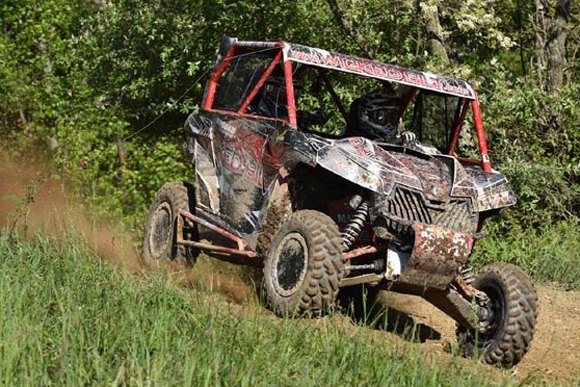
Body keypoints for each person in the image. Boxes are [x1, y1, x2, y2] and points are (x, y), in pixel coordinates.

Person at [346, 87, 416, 145]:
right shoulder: (351, 143)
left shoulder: (393, 137)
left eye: (392, 115)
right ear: (365, 115)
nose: (389, 121)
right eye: (385, 115)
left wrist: (405, 138)